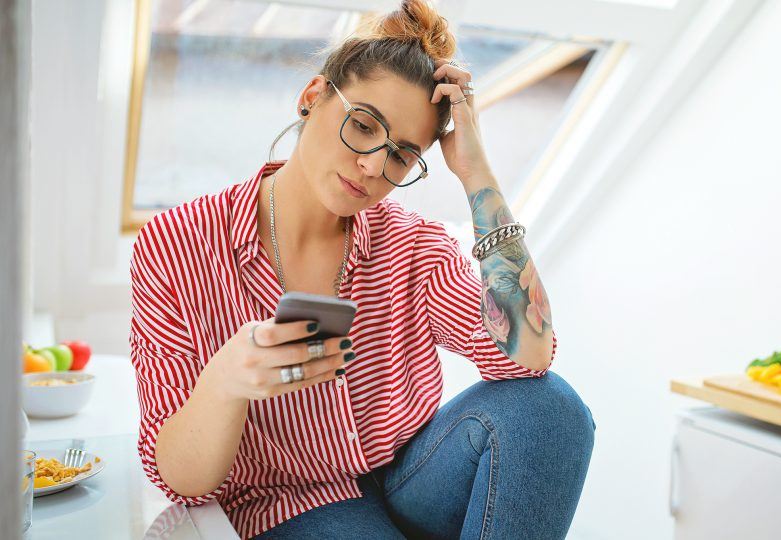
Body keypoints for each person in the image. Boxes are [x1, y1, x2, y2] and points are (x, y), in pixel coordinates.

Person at [128, 1, 595, 538]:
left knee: (551, 410)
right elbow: (184, 483)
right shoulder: (177, 244)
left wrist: (476, 172)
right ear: (312, 98)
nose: (374, 164)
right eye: (364, 124)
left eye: (400, 155)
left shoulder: (412, 245)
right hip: (289, 505)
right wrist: (227, 382)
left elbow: (527, 357)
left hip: (406, 481)